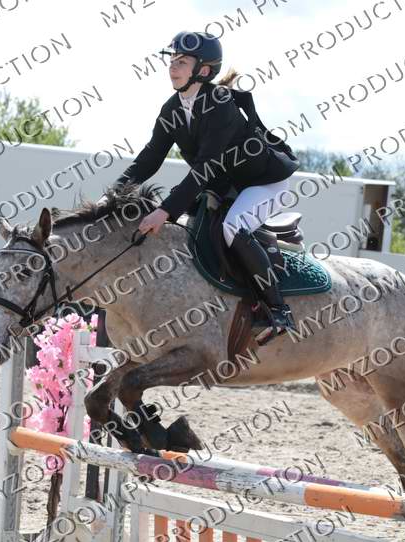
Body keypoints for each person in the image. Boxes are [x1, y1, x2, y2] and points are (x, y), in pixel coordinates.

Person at [114, 31, 299, 345]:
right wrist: (115, 193)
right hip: (224, 183)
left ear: (202, 70)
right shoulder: (172, 108)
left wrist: (164, 211)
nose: (173, 67)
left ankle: (278, 310)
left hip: (262, 181)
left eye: (181, 62)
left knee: (232, 226)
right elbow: (150, 158)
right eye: (172, 61)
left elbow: (204, 168)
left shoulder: (220, 103)